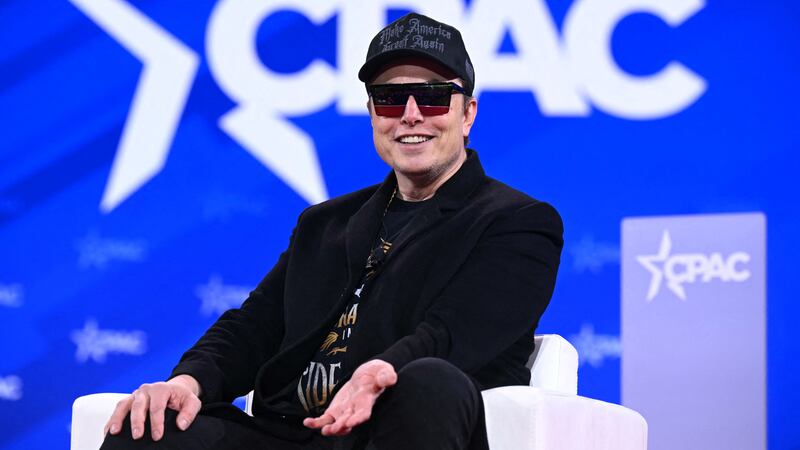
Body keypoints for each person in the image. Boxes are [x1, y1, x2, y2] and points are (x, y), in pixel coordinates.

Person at [101, 12, 563, 450]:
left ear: (467, 114)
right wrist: (187, 381)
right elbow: (253, 327)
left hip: (389, 429)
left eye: (433, 97)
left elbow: (453, 333)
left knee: (430, 379)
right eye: (389, 98)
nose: (410, 114)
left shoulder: (518, 221)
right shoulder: (324, 223)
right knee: (146, 427)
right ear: (373, 114)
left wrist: (381, 370)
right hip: (289, 433)